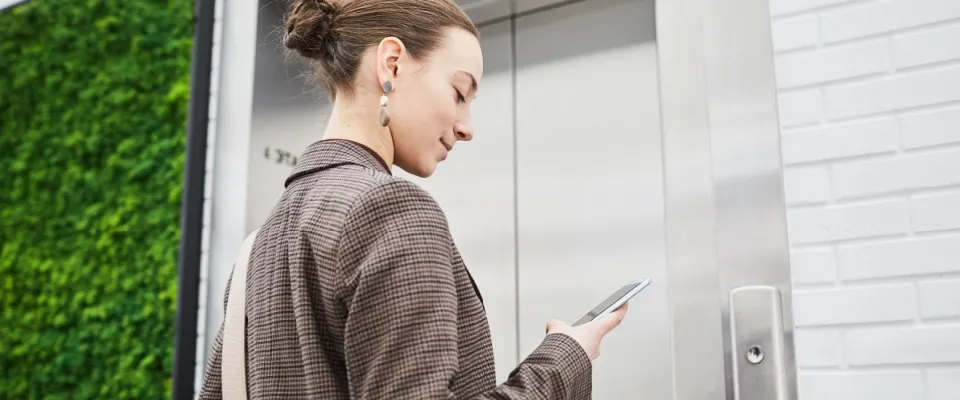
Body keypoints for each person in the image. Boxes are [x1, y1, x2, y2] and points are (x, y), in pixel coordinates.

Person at [198, 0, 629, 398]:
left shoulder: (257, 249)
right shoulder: (391, 210)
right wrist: (563, 359)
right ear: (391, 65)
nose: (466, 127)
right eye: (460, 93)